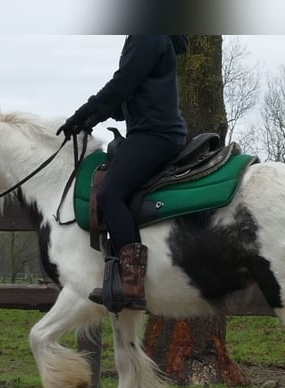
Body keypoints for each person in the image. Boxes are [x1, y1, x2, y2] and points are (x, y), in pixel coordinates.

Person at [57, 35, 188, 311]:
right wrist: (91, 118)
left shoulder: (147, 34)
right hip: (151, 131)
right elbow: (129, 95)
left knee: (109, 193)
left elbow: (123, 83)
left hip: (155, 134)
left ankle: (132, 282)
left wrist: (84, 112)